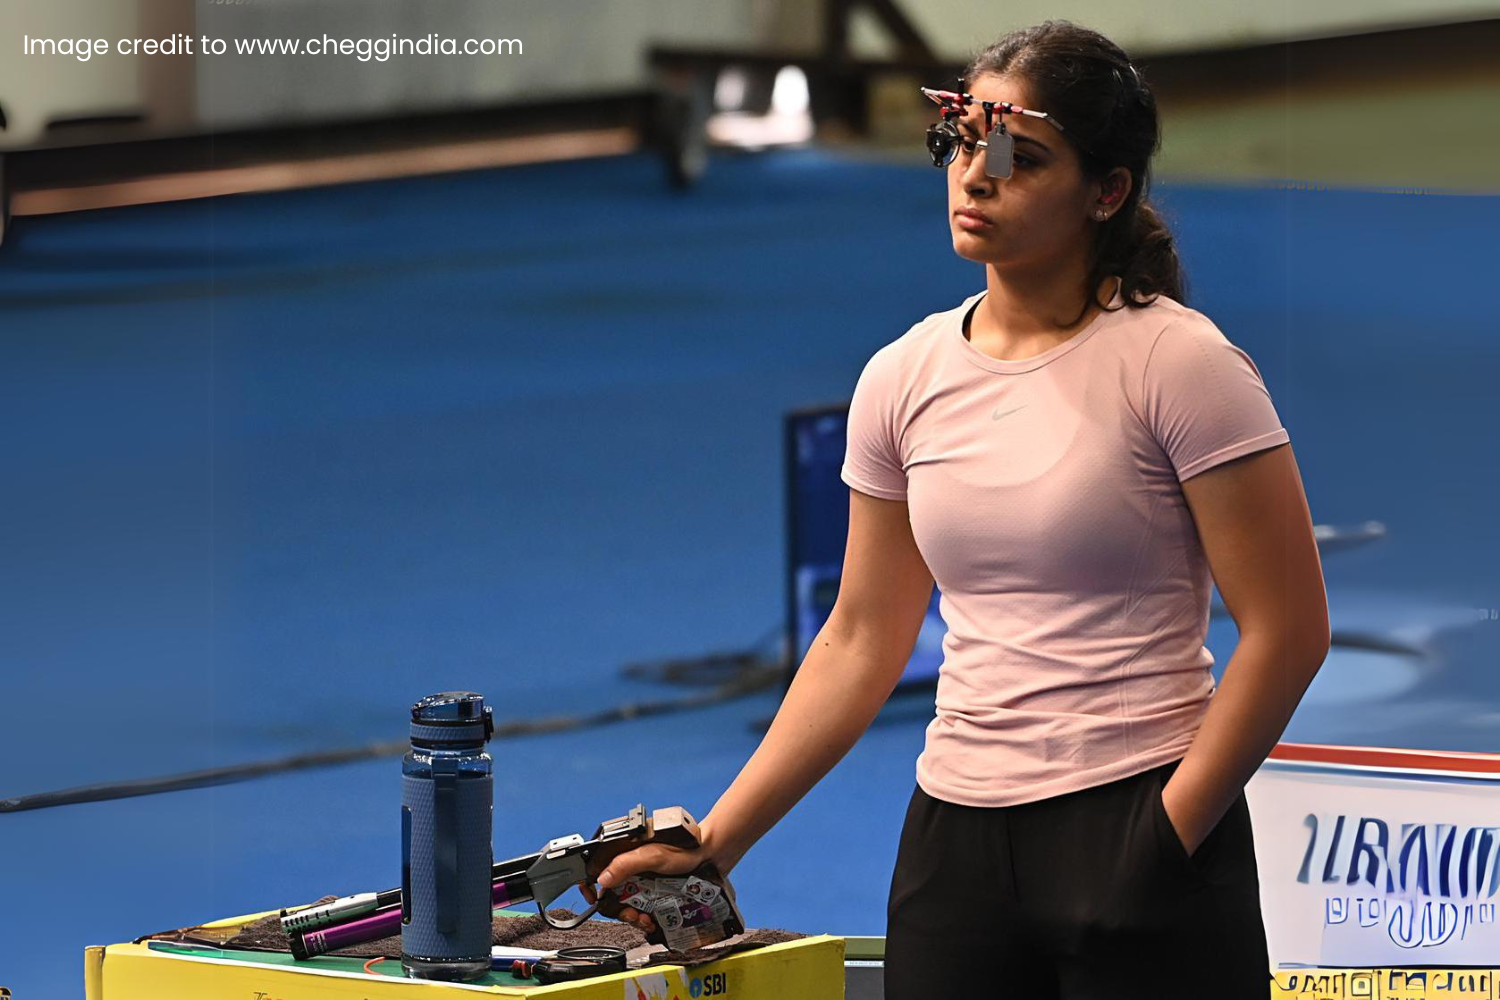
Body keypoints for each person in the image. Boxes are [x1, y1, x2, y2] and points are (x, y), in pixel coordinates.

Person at [584, 19, 1330, 999]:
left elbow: (1290, 628)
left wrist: (1168, 830)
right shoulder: (903, 375)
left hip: (1140, 824)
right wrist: (721, 841)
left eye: (1020, 155)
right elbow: (860, 634)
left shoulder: (1180, 364)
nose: (976, 176)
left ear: (1107, 191)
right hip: (954, 848)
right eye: (963, 141)